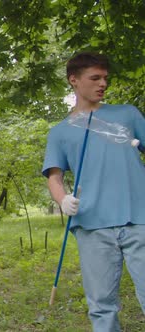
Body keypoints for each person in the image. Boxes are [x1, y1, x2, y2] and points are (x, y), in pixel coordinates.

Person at [42, 51, 145, 331]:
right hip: (92, 225)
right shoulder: (60, 132)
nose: (103, 84)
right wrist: (63, 201)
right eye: (95, 78)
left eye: (105, 78)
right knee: (101, 305)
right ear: (74, 80)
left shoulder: (127, 114)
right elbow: (54, 176)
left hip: (140, 219)